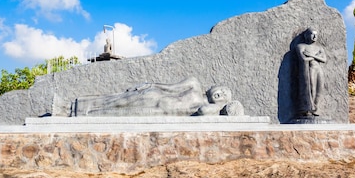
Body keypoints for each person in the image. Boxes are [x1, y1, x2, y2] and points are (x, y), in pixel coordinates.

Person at [68, 77, 242, 117]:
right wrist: (150, 85)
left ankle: (82, 112)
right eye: (222, 89)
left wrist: (221, 108)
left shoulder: (207, 108)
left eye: (224, 96)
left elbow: (204, 111)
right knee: (115, 101)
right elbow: (171, 88)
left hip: (157, 111)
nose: (220, 94)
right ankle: (74, 107)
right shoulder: (195, 84)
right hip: (154, 97)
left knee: (112, 112)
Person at [295, 28, 326, 116]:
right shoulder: (301, 46)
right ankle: (308, 108)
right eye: (312, 34)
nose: (315, 36)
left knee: (320, 89)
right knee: (311, 88)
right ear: (306, 35)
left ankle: (315, 108)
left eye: (316, 35)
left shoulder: (319, 47)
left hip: (318, 69)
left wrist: (311, 55)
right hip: (310, 69)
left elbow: (324, 60)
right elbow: (303, 59)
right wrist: (316, 56)